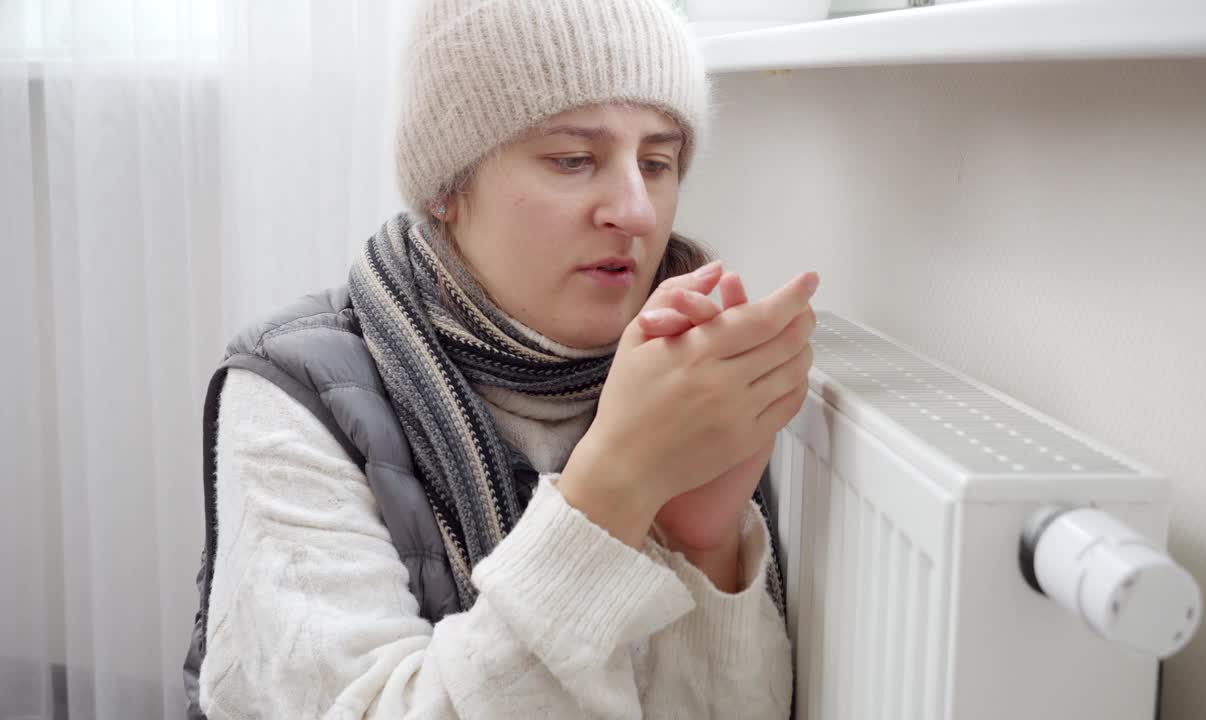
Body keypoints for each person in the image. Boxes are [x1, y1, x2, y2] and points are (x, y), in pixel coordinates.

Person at [184, 0, 819, 717]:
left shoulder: (690, 375)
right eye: (574, 159)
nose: (636, 211)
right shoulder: (293, 395)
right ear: (449, 187)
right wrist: (613, 486)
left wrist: (701, 544)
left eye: (658, 161)